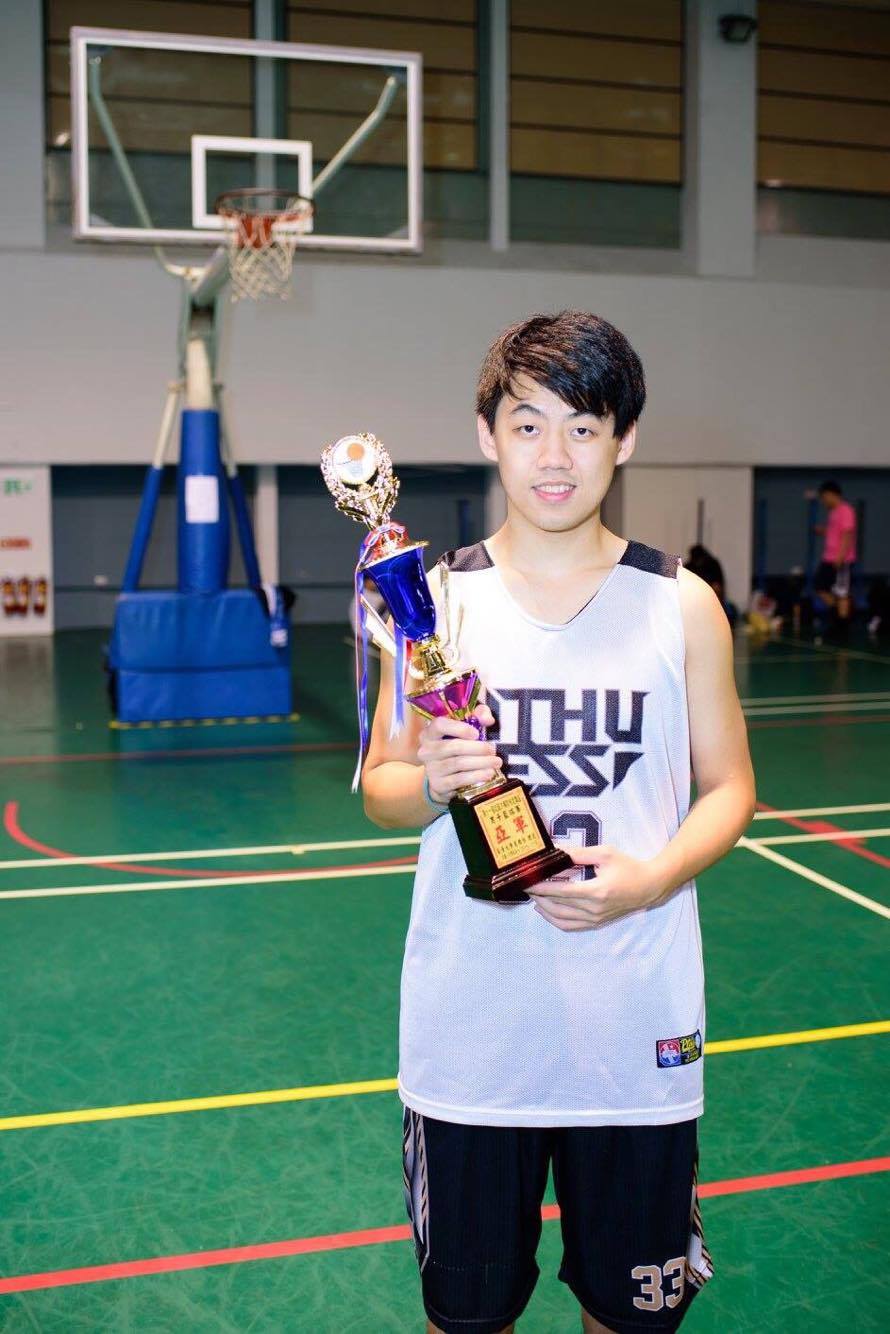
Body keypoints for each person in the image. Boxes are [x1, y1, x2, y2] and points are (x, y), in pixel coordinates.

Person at [362, 311, 756, 1334]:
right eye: (527, 424)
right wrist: (433, 783)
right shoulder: (428, 600)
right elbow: (380, 787)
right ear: (486, 434)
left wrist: (650, 878)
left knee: (628, 1318)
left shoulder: (681, 604)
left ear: (623, 439)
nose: (553, 455)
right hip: (471, 1035)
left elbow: (729, 788)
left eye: (582, 428)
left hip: (633, 1029)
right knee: (468, 1316)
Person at [813, 480, 857, 636]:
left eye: (824, 497)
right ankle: (836, 617)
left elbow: (847, 535)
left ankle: (842, 625)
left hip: (841, 560)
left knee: (842, 591)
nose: (824, 501)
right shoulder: (833, 512)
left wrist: (840, 557)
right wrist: (823, 531)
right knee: (820, 586)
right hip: (828, 558)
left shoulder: (846, 511)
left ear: (832, 494)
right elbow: (835, 532)